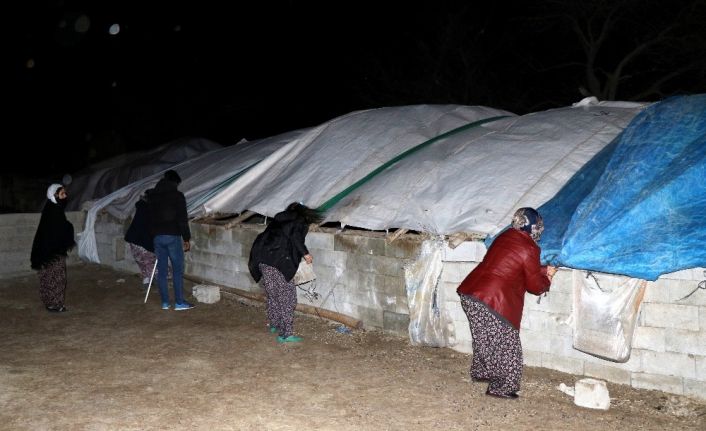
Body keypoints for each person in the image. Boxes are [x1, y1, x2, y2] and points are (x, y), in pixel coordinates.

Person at [456, 207, 556, 399]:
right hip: (492, 299)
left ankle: (482, 373)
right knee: (507, 345)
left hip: (471, 293)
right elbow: (535, 286)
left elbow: (513, 264)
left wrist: (542, 270)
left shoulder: (505, 236)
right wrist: (548, 278)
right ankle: (502, 387)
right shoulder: (530, 247)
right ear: (534, 227)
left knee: (484, 338)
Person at [248, 202, 324, 343]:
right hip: (280, 262)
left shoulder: (278, 220)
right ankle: (286, 334)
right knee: (287, 298)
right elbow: (295, 238)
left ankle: (274, 324)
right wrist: (305, 254)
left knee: (273, 295)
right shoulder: (299, 220)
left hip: (263, 260)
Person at [148, 170, 194, 311]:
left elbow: (149, 219)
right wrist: (186, 238)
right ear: (175, 182)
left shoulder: (152, 196)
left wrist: (153, 236)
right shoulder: (177, 196)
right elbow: (182, 219)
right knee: (177, 270)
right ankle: (179, 302)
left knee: (161, 270)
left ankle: (165, 303)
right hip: (172, 236)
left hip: (157, 237)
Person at [30, 183, 76, 312]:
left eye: (65, 193)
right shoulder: (55, 211)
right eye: (62, 194)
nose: (65, 196)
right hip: (53, 252)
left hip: (45, 252)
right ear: (54, 195)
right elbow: (60, 230)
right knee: (57, 278)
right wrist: (69, 226)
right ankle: (56, 305)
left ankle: (49, 302)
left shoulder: (50, 208)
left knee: (47, 277)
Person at [124, 191, 171, 290]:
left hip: (135, 239)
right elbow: (149, 230)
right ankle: (156, 283)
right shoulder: (149, 210)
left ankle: (147, 281)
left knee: (143, 261)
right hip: (140, 240)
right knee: (149, 261)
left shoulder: (143, 207)